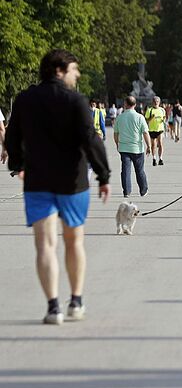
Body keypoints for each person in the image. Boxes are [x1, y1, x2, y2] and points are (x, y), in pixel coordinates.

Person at [5, 49, 111, 325]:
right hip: (72, 182)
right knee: (74, 241)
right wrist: (103, 174)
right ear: (59, 70)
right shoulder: (75, 101)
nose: (77, 76)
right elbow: (90, 139)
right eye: (74, 70)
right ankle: (76, 301)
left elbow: (12, 137)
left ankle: (53, 307)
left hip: (38, 181)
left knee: (45, 245)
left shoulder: (25, 100)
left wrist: (18, 165)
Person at [113, 96, 151, 198]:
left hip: (124, 148)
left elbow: (116, 133)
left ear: (125, 104)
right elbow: (145, 133)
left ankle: (127, 191)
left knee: (125, 170)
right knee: (140, 170)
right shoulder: (140, 117)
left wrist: (117, 144)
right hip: (137, 148)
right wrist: (149, 146)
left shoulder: (119, 118)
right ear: (135, 105)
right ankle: (143, 190)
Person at [145, 96, 166, 166]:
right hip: (152, 130)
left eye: (157, 101)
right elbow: (146, 120)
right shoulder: (149, 110)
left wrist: (164, 120)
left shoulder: (162, 110)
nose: (155, 103)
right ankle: (154, 158)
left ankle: (160, 158)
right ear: (152, 102)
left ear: (159, 102)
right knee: (153, 145)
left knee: (160, 143)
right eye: (154, 101)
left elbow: (164, 118)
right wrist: (151, 117)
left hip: (160, 129)